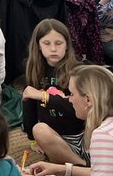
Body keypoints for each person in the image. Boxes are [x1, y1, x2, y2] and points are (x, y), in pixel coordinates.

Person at [22, 20, 85, 167]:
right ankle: (79, 165)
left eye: (58, 43)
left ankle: (80, 167)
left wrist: (44, 96)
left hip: (80, 133)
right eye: (46, 43)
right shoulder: (34, 69)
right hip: (53, 135)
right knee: (39, 129)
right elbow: (28, 105)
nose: (53, 49)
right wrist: (32, 138)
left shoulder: (78, 70)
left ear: (67, 45)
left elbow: (79, 109)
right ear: (38, 46)